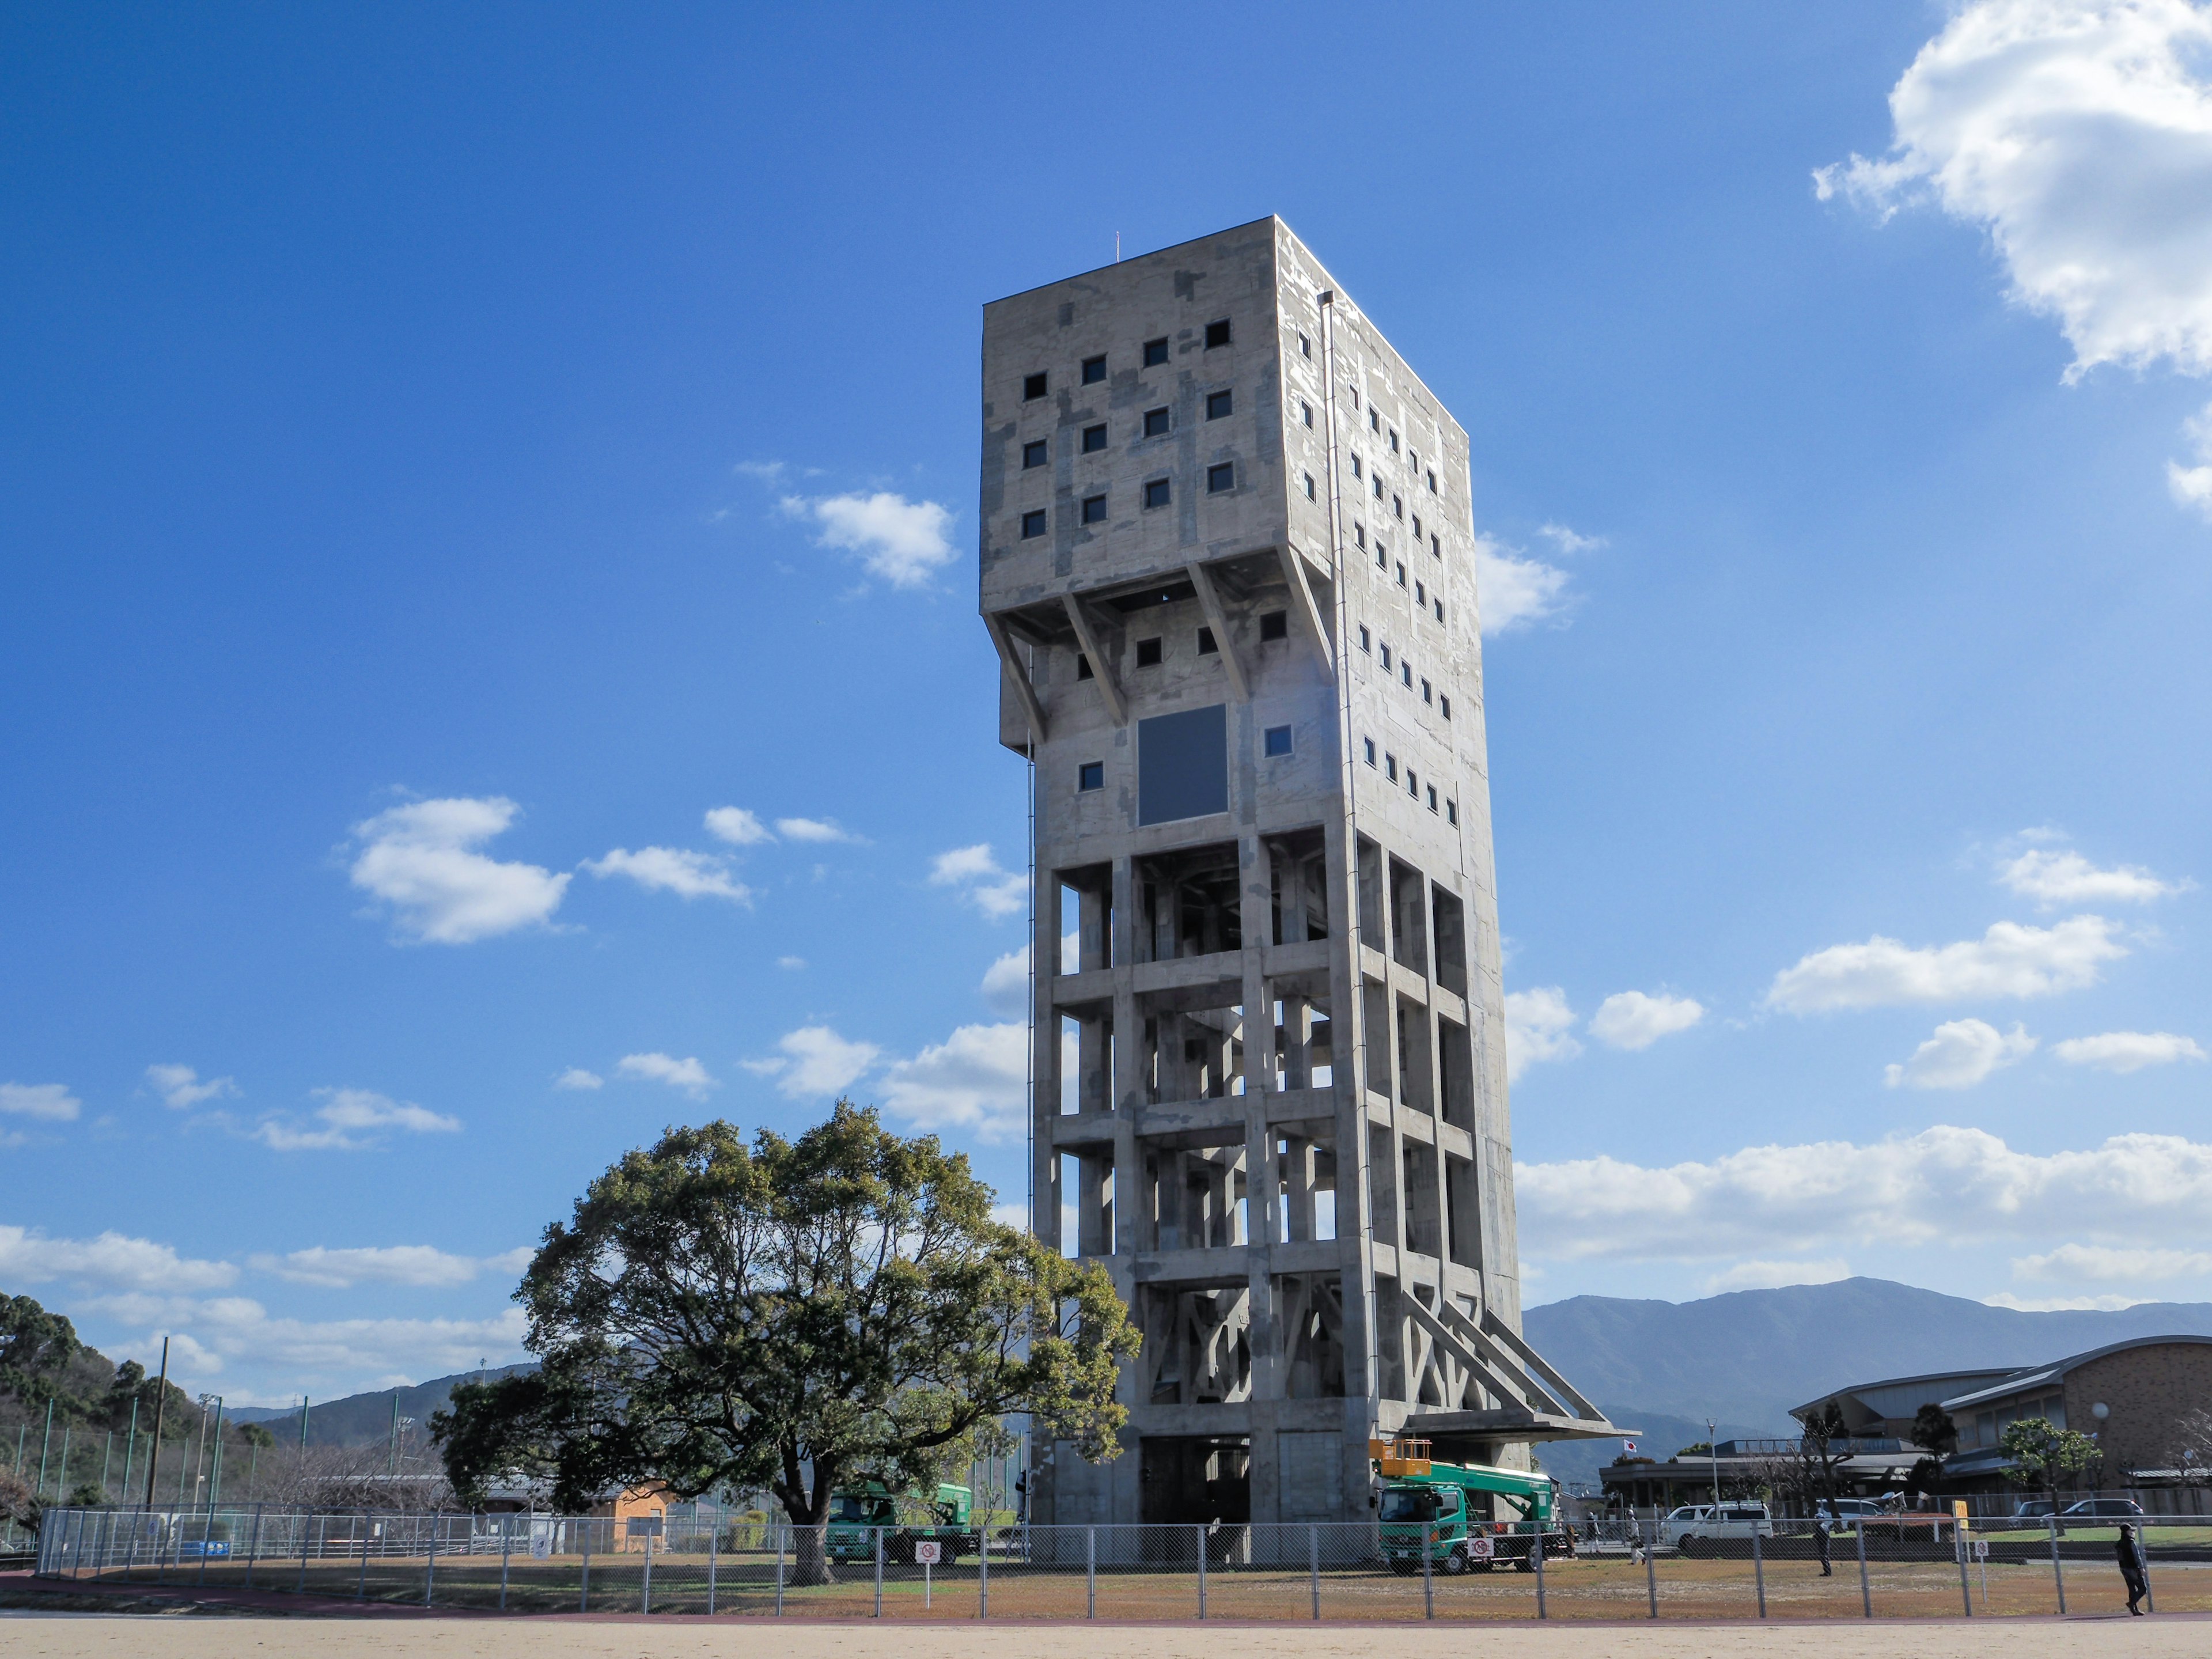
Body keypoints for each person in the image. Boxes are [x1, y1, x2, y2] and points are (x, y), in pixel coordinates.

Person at [2118, 1523, 2149, 1615]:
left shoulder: (2120, 1543)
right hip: (2133, 1568)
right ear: (2126, 1532)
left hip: (2124, 1568)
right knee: (2143, 1589)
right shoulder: (2131, 1542)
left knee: (2132, 1589)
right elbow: (2137, 1556)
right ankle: (2131, 1604)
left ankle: (2134, 1610)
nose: (2132, 1533)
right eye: (2131, 1531)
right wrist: (2141, 1568)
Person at [1814, 1505, 1833, 1577]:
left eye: (1817, 1518)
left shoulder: (1821, 1527)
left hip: (1823, 1545)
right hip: (1824, 1544)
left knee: (1824, 1558)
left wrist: (1817, 1537)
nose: (1816, 1520)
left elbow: (1825, 1536)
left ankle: (1828, 1572)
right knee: (1825, 1558)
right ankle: (1827, 1572)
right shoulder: (1824, 1526)